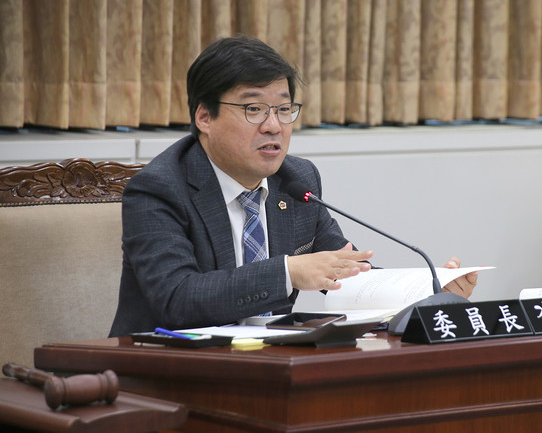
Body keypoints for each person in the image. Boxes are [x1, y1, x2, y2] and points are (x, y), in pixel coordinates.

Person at [109, 36, 477, 337]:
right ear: (205, 116)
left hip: (271, 363)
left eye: (283, 110)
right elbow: (176, 299)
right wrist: (287, 273)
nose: (273, 126)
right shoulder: (159, 189)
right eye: (254, 109)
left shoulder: (295, 181)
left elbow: (345, 274)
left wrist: (427, 296)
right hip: (168, 370)